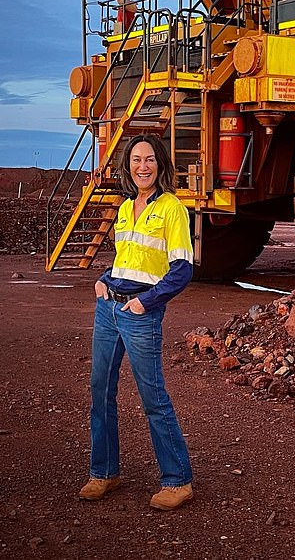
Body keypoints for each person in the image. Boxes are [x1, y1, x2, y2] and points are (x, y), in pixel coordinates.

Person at [79, 134, 194, 511]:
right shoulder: (126, 207)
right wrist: (103, 276)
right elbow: (127, 258)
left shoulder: (173, 209)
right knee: (101, 391)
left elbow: (181, 270)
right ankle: (104, 472)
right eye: (135, 160)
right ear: (127, 166)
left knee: (152, 397)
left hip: (139, 314)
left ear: (160, 164)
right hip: (108, 308)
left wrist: (147, 303)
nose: (142, 166)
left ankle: (177, 481)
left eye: (149, 159)